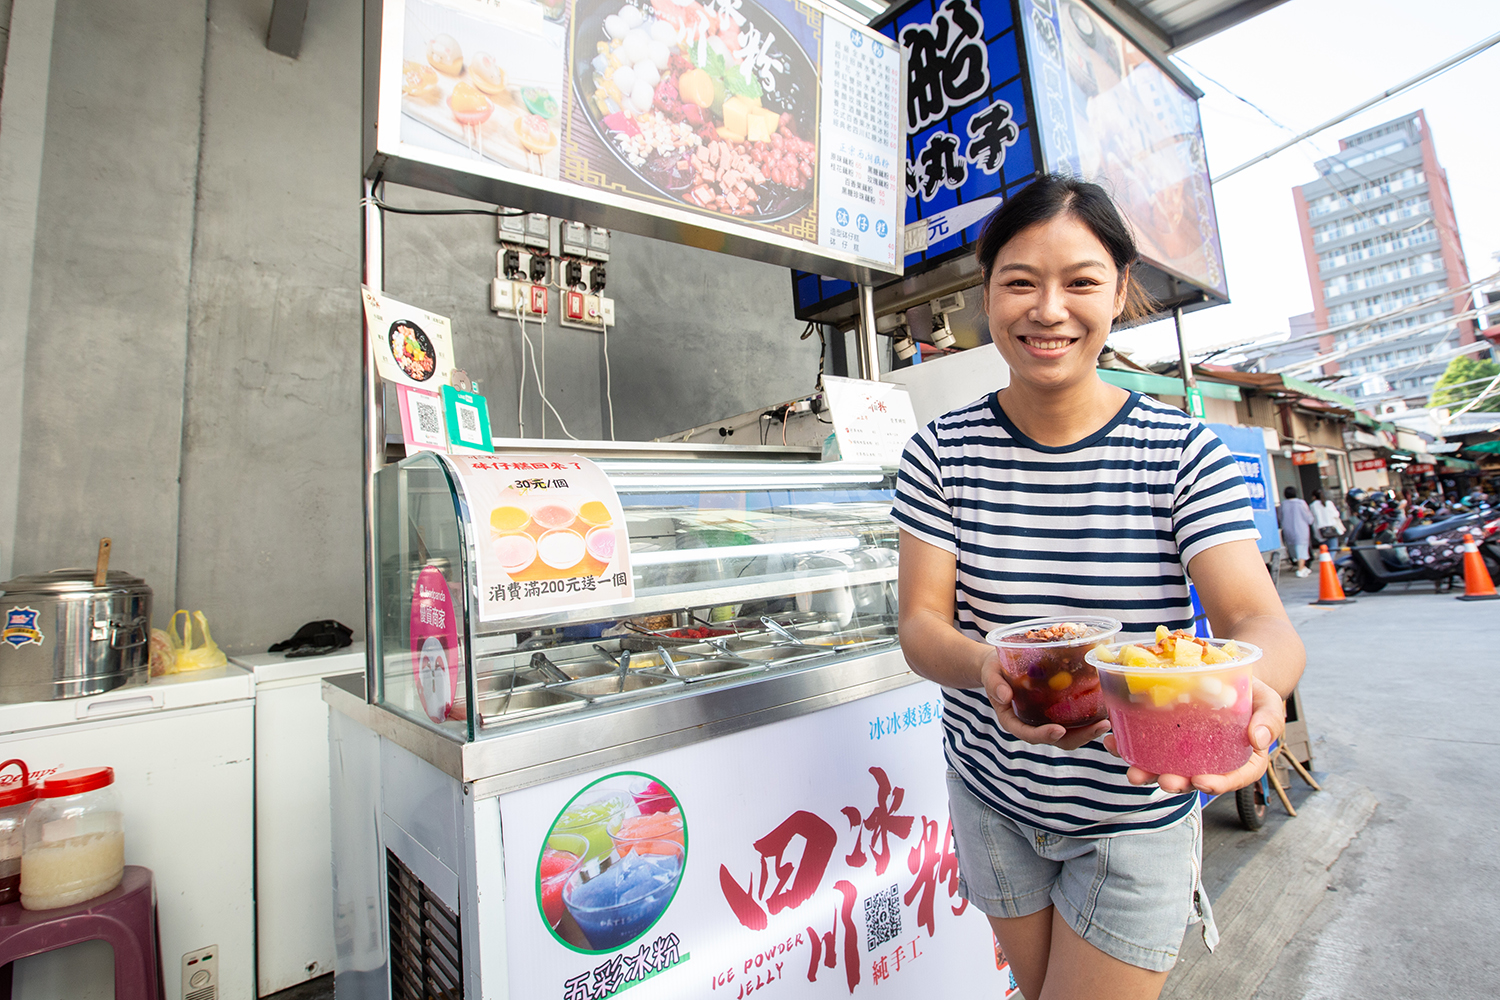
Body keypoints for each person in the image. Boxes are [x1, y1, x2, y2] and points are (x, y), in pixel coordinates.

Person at [893, 174, 1304, 1000]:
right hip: (993, 795)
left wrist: (1258, 691)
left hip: (1136, 807)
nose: (1049, 310)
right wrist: (985, 669)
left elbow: (1256, 614)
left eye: (1080, 282)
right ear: (987, 295)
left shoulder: (1183, 454)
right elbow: (921, 626)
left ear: (1120, 291)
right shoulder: (939, 454)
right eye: (1020, 282)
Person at [1280, 487, 1314, 576]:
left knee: (1293, 549)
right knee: (1302, 549)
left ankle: (1302, 567)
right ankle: (1300, 569)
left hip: (1288, 530)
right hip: (1301, 529)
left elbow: (1280, 517)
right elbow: (1309, 518)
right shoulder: (1301, 503)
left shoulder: (1283, 504)